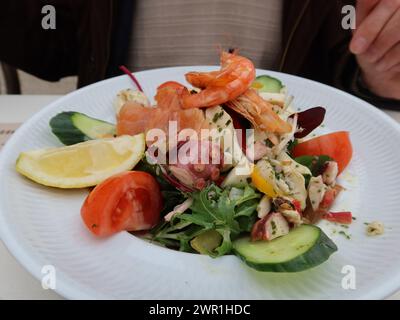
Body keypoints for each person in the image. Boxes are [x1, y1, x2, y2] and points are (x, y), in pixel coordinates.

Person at [0, 0, 398, 109]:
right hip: (117, 158)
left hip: (281, 164)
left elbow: (350, 66)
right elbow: (50, 46)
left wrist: (382, 73)